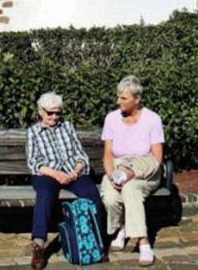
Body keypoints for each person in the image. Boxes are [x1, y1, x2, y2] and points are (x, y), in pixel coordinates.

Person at [26, 92, 104, 270]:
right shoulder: (34, 132)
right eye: (50, 113)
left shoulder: (67, 127)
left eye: (58, 113)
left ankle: (97, 242)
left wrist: (76, 171)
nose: (54, 117)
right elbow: (33, 162)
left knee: (92, 193)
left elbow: (80, 154)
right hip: (47, 174)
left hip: (72, 172)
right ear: (40, 112)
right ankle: (39, 245)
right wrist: (55, 174)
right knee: (45, 195)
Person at [101, 76, 164, 267]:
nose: (118, 101)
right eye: (118, 97)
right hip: (118, 167)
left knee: (130, 189)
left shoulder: (153, 119)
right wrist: (112, 174)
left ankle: (143, 241)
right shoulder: (111, 118)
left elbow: (157, 158)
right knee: (111, 197)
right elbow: (108, 155)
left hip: (145, 167)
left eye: (123, 98)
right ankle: (121, 228)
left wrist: (132, 173)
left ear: (137, 99)